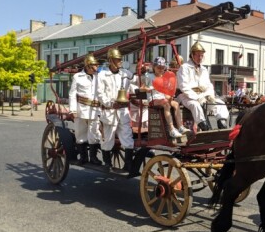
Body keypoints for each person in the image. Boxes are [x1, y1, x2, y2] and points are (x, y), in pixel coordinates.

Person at [97, 47, 142, 177]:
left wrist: (141, 73)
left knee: (127, 137)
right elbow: (100, 93)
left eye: (120, 59)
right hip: (110, 111)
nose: (120, 62)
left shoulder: (125, 73)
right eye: (117, 60)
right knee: (108, 139)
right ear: (110, 60)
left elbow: (134, 83)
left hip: (123, 111)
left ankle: (128, 164)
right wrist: (110, 103)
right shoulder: (102, 75)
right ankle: (107, 163)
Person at [176, 41, 229, 131]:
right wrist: (197, 97)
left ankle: (222, 123)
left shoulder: (204, 69)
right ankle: (204, 126)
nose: (200, 57)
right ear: (192, 55)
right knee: (195, 105)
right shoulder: (184, 67)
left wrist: (209, 96)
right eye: (198, 55)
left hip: (203, 96)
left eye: (201, 55)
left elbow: (209, 85)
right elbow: (183, 86)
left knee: (220, 103)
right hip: (186, 97)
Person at [142, 57, 190, 138]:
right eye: (159, 68)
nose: (161, 69)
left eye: (162, 68)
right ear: (154, 67)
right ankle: (171, 129)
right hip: (153, 98)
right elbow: (142, 88)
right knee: (166, 104)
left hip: (163, 98)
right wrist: (149, 89)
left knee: (176, 104)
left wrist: (170, 95)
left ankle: (180, 127)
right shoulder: (149, 76)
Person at [68, 54, 102, 165]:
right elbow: (72, 94)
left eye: (97, 66)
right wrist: (72, 110)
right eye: (94, 66)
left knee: (94, 133)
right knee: (80, 133)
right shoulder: (77, 77)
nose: (96, 68)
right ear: (87, 66)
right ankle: (83, 157)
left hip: (96, 109)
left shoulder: (99, 77)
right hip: (81, 109)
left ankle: (93, 157)